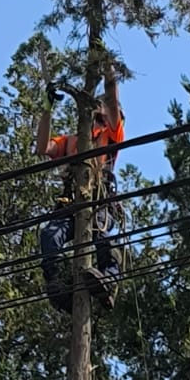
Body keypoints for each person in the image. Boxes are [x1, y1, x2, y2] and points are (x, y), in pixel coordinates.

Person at [35, 68, 124, 312]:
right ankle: (56, 281)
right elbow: (43, 147)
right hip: (70, 202)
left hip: (98, 199)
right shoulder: (71, 140)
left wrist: (108, 71)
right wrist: (47, 107)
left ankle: (108, 279)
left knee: (102, 237)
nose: (102, 113)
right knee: (50, 234)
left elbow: (113, 102)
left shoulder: (111, 135)